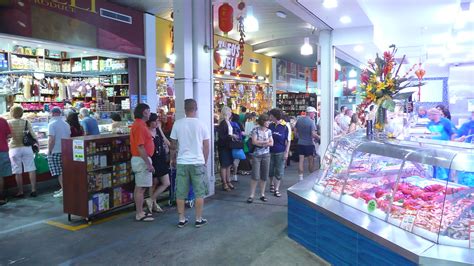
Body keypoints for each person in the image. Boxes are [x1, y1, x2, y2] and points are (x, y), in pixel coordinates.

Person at [170, 99, 210, 228]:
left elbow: (173, 145)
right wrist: (204, 161)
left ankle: (181, 219)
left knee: (180, 192)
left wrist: (173, 159)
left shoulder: (177, 124)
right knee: (199, 192)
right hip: (198, 162)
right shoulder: (202, 124)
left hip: (182, 162)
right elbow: (206, 145)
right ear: (196, 108)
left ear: (184, 109)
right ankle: (198, 219)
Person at [130, 103, 155, 222]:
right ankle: (139, 213)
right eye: (149, 111)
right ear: (144, 112)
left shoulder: (140, 124)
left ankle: (140, 211)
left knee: (140, 187)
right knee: (140, 188)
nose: (150, 113)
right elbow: (140, 146)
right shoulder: (140, 126)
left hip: (140, 159)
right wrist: (148, 164)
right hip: (141, 160)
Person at [7, 105, 39, 197]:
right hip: (27, 148)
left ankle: (20, 191)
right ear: (22, 112)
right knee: (31, 169)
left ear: (12, 113)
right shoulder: (26, 122)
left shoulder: (8, 122)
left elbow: (8, 136)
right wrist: (37, 143)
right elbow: (33, 134)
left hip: (14, 148)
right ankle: (33, 190)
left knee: (17, 171)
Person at [145, 113, 170, 214]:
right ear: (149, 123)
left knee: (160, 182)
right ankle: (152, 202)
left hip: (161, 158)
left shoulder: (158, 130)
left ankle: (152, 201)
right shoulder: (147, 133)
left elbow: (166, 142)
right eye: (154, 121)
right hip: (153, 159)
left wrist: (160, 131)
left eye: (157, 121)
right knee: (157, 182)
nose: (157, 123)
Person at [247, 114, 273, 203]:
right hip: (256, 155)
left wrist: (260, 143)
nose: (269, 122)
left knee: (264, 175)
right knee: (255, 175)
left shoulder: (269, 131)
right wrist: (266, 142)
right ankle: (252, 194)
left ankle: (262, 194)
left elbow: (272, 143)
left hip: (266, 155)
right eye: (267, 121)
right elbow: (254, 142)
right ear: (263, 122)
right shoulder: (255, 130)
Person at [47, 107, 71, 198]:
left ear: (52, 114)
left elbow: (51, 139)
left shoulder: (51, 124)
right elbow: (68, 137)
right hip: (65, 150)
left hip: (55, 151)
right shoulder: (66, 124)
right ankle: (64, 188)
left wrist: (49, 151)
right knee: (64, 171)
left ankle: (64, 190)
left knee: (60, 172)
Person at [268, 109, 289, 197]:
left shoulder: (285, 127)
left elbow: (288, 141)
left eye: (270, 115)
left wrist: (286, 152)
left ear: (274, 116)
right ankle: (271, 184)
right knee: (270, 170)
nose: (269, 117)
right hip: (269, 152)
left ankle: (276, 189)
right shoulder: (270, 125)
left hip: (280, 152)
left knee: (279, 171)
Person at [295, 106, 319, 180]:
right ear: (310, 113)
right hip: (309, 144)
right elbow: (313, 134)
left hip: (300, 143)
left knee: (301, 160)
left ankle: (300, 177)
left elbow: (295, 131)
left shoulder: (299, 120)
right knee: (311, 160)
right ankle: (311, 177)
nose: (314, 115)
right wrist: (320, 137)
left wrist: (298, 137)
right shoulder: (311, 122)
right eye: (314, 113)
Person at [216, 106, 236, 191]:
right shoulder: (223, 123)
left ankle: (228, 181)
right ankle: (224, 182)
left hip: (228, 146)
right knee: (224, 165)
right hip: (224, 146)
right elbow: (222, 136)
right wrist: (231, 136)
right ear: (226, 113)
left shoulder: (228, 122)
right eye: (230, 112)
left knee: (228, 165)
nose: (231, 113)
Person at [0, 116, 12, 205]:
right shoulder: (3, 121)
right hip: (3, 150)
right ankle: (1, 198)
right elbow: (9, 135)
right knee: (0, 175)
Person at [231, 113, 244, 182]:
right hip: (238, 145)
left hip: (231, 144)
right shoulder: (240, 124)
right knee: (236, 162)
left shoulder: (230, 124)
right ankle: (235, 175)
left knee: (230, 161)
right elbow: (243, 134)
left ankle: (229, 175)